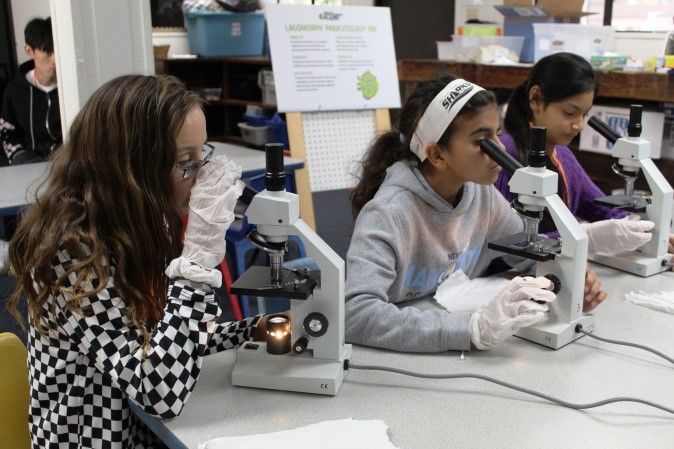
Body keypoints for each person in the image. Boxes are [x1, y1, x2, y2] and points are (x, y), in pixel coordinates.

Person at [7, 74, 266, 448]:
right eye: (185, 162)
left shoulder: (137, 227)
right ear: (130, 168)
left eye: (202, 155)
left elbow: (162, 342)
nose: (201, 176)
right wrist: (196, 260)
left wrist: (252, 330)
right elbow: (158, 391)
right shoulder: (73, 259)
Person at [345, 76, 606, 353]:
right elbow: (356, 314)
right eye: (484, 141)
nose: (501, 148)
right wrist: (468, 329)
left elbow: (527, 255)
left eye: (497, 133)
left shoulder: (481, 195)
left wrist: (569, 284)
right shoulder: (388, 213)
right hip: (391, 360)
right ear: (437, 155)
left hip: (447, 343)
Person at [494, 52, 656, 256]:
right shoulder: (504, 155)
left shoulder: (563, 156)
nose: (580, 125)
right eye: (570, 113)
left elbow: (599, 206)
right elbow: (506, 248)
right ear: (535, 99)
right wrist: (584, 236)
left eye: (585, 114)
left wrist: (641, 230)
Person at [0, 16, 61, 165]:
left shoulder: (71, 89)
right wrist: (20, 157)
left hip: (67, 165)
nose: (54, 59)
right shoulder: (15, 91)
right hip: (28, 164)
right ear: (29, 51)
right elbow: (8, 132)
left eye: (58, 50)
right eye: (47, 51)